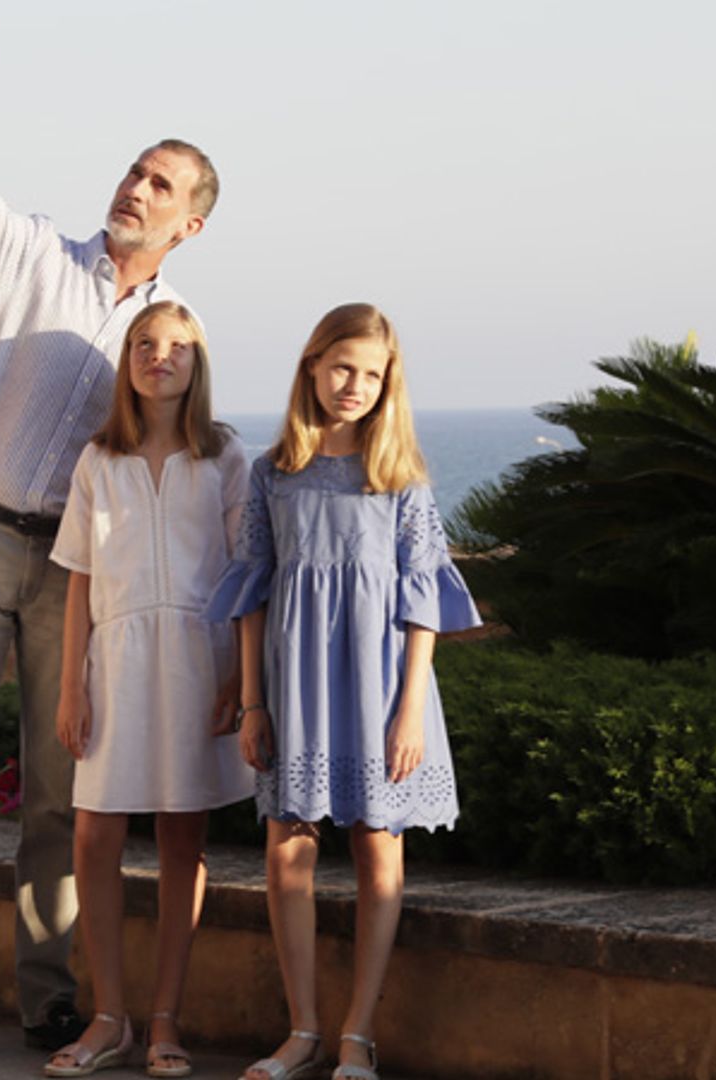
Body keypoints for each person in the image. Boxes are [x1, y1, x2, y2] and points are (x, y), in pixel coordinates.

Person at [0, 1, 222, 1070]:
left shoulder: (172, 339)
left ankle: (49, 997)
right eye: (136, 169)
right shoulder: (28, 251)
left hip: (70, 571)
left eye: (162, 184)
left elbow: (187, 465)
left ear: (192, 224)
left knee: (57, 790)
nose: (137, 186)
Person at [207, 304, 481, 1080]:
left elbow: (422, 603)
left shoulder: (400, 478)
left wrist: (409, 711)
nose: (353, 385)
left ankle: (357, 1034)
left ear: (388, 381)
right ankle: (302, 1032)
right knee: (287, 845)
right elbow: (253, 596)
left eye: (370, 373)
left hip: (384, 686)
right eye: (341, 367)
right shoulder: (274, 473)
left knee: (375, 846)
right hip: (295, 684)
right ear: (312, 366)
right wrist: (254, 702)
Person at [41, 301, 253, 1078]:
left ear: (198, 364)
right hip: (117, 660)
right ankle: (108, 1015)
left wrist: (238, 674)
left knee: (180, 838)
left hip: (199, 661)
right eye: (143, 344)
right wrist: (71, 686)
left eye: (175, 347)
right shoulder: (100, 459)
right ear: (126, 359)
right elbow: (79, 581)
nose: (157, 356)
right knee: (94, 833)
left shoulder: (226, 456)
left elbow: (244, 575)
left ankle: (165, 1019)